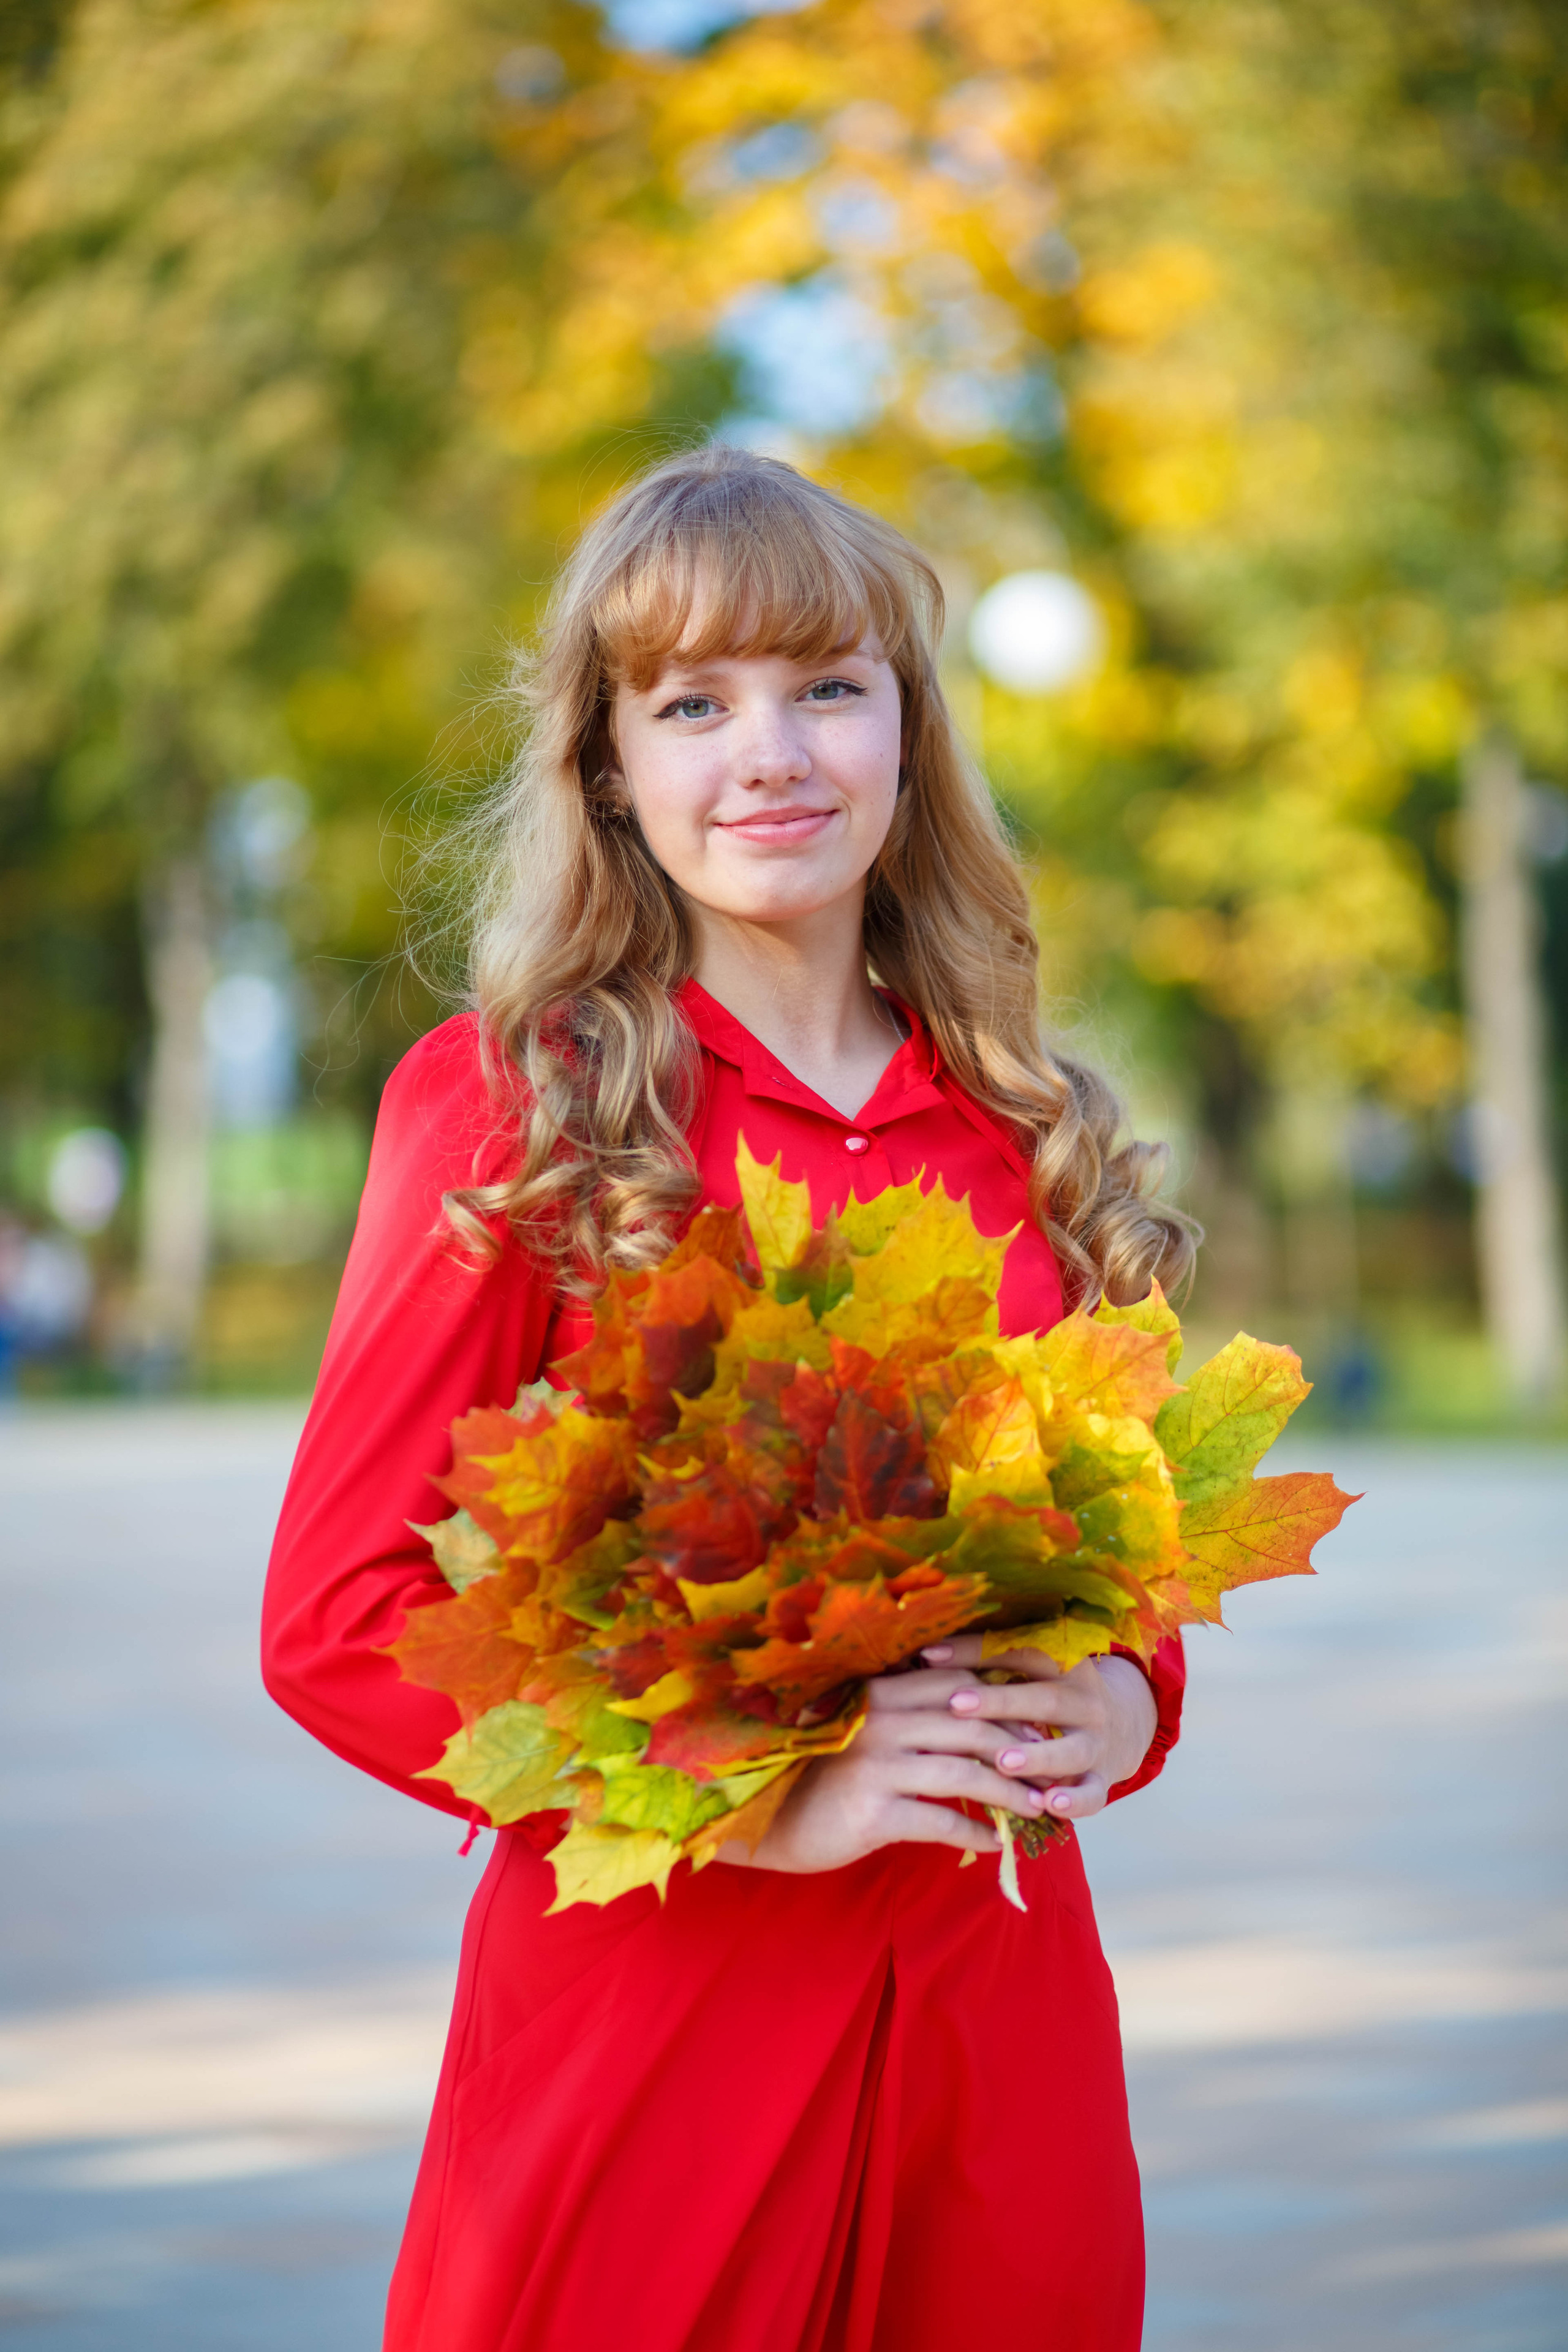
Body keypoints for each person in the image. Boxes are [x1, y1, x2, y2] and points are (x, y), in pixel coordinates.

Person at [262, 445, 1196, 2352]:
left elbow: (1124, 1568)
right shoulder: (520, 1112)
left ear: (908, 732)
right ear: (609, 764)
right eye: (692, 703)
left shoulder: (1027, 1129)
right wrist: (761, 1804)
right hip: (654, 2037)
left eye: (827, 687)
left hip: (997, 2034)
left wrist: (1126, 1699)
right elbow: (342, 1620)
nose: (770, 755)